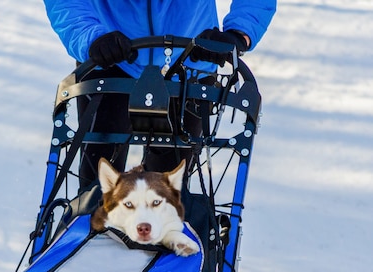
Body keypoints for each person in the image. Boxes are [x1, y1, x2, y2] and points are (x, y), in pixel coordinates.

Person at [43, 0, 276, 189]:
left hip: (192, 55)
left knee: (168, 187)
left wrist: (239, 33)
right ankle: (92, 228)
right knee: (99, 180)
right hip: (111, 52)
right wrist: (89, 36)